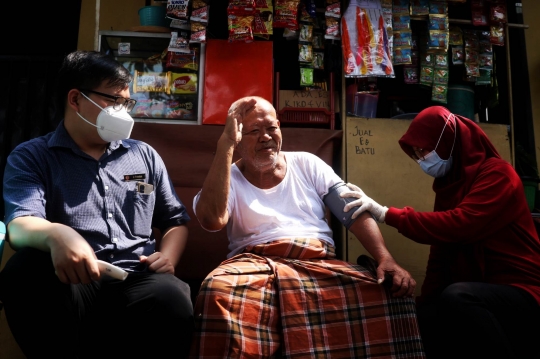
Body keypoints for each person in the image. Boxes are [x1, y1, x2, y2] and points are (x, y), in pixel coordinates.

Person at [189, 96, 426, 358]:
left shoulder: (307, 163)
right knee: (217, 291)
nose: (266, 137)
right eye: (254, 131)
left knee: (393, 293)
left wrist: (385, 258)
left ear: (280, 126)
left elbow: (352, 212)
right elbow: (212, 221)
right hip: (254, 264)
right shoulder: (227, 175)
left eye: (271, 128)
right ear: (237, 137)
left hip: (317, 262)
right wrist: (225, 146)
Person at [0, 50, 194, 358]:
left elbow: (175, 221)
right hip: (71, 282)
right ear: (75, 99)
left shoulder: (143, 155)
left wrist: (167, 257)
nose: (123, 112)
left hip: (138, 278)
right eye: (113, 101)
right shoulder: (32, 157)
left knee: (172, 296)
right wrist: (57, 235)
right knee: (24, 270)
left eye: (126, 103)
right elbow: (20, 225)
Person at [341, 105, 540, 359]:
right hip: (483, 288)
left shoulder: (499, 175)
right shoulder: (449, 187)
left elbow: (459, 224)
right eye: (416, 154)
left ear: (448, 141)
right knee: (430, 313)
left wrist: (385, 213)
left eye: (424, 150)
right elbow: (441, 252)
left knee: (458, 297)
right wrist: (421, 306)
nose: (422, 159)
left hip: (523, 290)